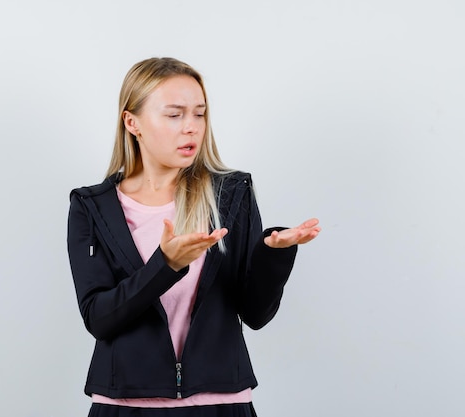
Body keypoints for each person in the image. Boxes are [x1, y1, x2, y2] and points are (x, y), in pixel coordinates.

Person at [67, 57, 321, 417]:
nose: (191, 128)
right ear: (132, 122)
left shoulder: (231, 193)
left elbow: (255, 314)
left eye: (199, 114)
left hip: (221, 404)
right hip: (124, 406)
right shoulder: (92, 206)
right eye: (175, 114)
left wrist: (272, 255)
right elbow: (99, 318)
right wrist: (165, 265)